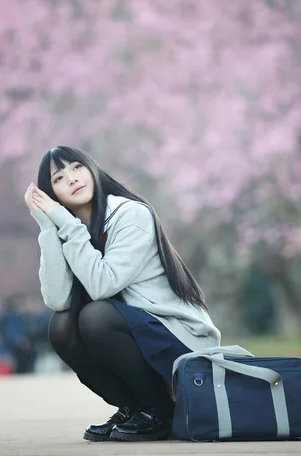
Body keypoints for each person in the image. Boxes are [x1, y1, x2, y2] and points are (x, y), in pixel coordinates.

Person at [24, 146, 220, 442]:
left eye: (77, 168)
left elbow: (104, 284)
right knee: (61, 325)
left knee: (95, 316)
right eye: (59, 178)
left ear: (92, 168)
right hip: (135, 332)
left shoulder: (130, 214)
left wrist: (66, 224)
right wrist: (48, 228)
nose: (73, 179)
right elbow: (58, 300)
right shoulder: (68, 229)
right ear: (51, 195)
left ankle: (159, 410)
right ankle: (135, 407)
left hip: (178, 338)